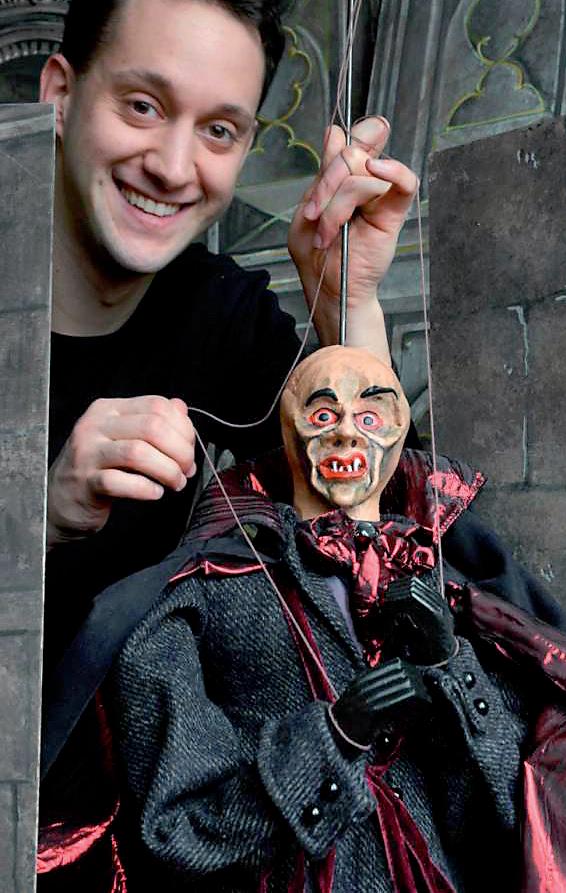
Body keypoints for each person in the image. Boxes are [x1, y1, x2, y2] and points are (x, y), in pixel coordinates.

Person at [101, 346, 566, 892]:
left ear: (399, 434)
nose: (345, 433)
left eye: (370, 417)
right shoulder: (211, 590)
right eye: (322, 414)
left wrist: (452, 667)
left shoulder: (448, 586)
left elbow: (510, 813)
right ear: (288, 430)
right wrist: (333, 739)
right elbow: (179, 834)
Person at [40, 0, 421, 675]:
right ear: (61, 96)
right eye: (142, 106)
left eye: (218, 130)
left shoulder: (219, 309)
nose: (173, 167)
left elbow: (385, 549)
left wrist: (349, 306)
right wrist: (37, 516)